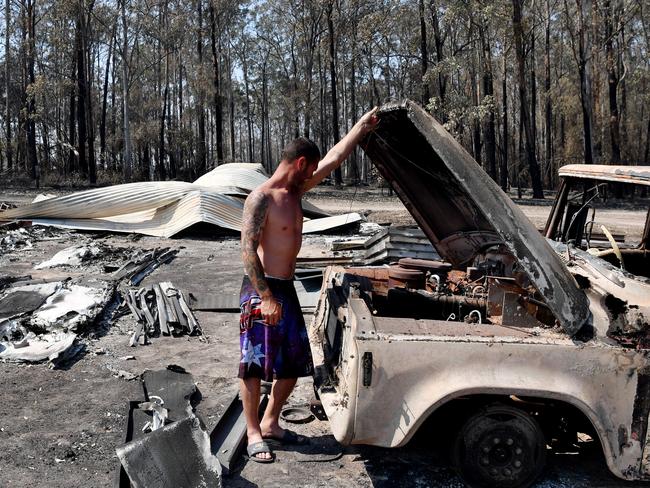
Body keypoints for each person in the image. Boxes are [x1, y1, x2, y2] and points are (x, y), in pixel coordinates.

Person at [239, 107, 380, 462]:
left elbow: (333, 158)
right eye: (311, 166)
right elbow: (246, 251)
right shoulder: (261, 198)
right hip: (262, 289)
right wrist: (266, 297)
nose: (316, 172)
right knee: (253, 365)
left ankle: (271, 423)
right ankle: (253, 432)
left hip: (285, 287)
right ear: (301, 162)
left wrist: (360, 127)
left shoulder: (297, 191)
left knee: (293, 363)